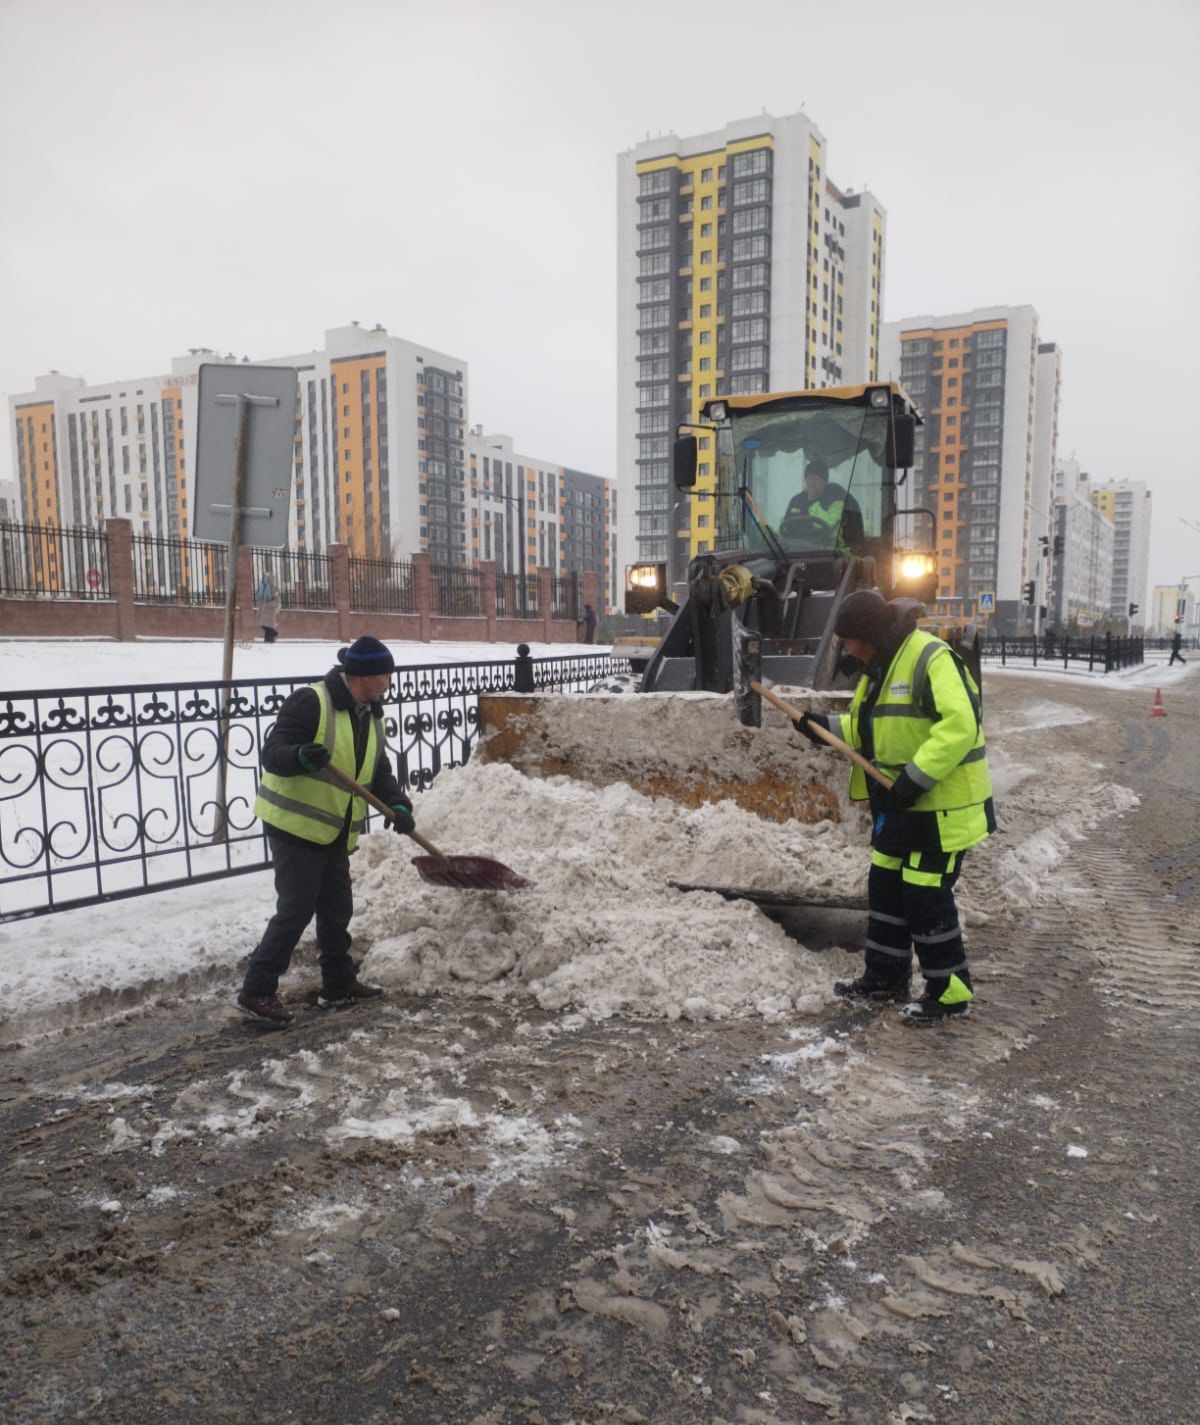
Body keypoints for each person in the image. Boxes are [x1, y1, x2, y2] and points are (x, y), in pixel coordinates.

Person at [793, 590, 996, 1026]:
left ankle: (949, 991)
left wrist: (914, 779)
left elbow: (961, 725)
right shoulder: (879, 670)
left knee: (924, 896)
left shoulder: (930, 657)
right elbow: (867, 727)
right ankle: (886, 976)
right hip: (899, 807)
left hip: (938, 808)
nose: (847, 649)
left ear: (870, 634)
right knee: (885, 886)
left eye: (849, 640)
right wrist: (821, 728)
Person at [236, 635, 415, 1027]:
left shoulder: (371, 712)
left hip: (333, 827)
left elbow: (376, 769)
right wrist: (299, 756)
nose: (389, 682)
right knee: (296, 908)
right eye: (385, 675)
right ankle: (256, 990)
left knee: (337, 907)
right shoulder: (311, 701)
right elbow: (273, 752)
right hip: (294, 823)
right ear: (364, 675)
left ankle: (337, 982)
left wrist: (398, 803)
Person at [780, 459, 864, 554]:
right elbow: (784, 524)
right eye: (809, 478)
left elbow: (828, 525)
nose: (812, 483)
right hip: (797, 551)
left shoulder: (836, 498)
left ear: (824, 482)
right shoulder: (796, 500)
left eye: (816, 479)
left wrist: (812, 501)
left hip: (831, 551)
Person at [255, 564, 281, 643]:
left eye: (267, 578)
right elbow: (258, 597)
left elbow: (277, 602)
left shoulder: (274, 589)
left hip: (269, 612)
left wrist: (268, 605)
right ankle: (272, 635)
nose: (265, 579)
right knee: (264, 625)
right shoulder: (262, 588)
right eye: (265, 578)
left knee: (268, 627)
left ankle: (269, 641)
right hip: (262, 611)